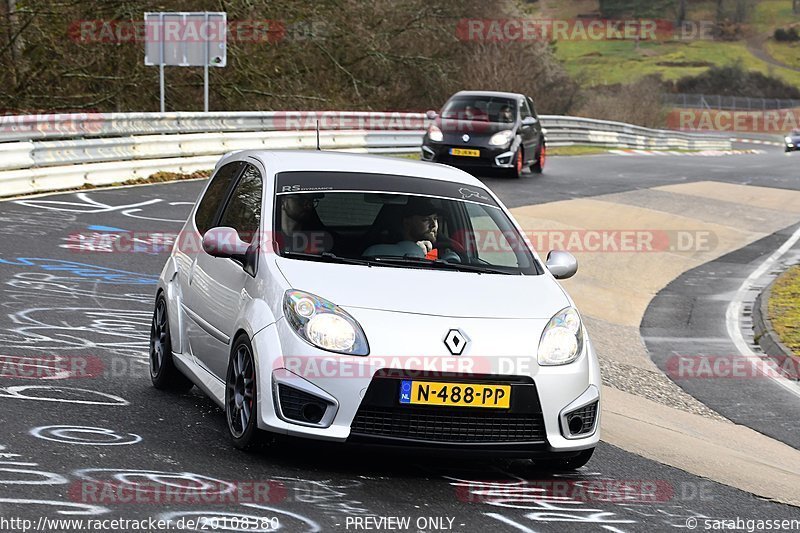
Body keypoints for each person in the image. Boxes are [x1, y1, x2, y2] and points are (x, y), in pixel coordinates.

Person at [362, 198, 459, 262]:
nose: (433, 225)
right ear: (407, 223)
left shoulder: (446, 249)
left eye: (435, 219)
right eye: (425, 220)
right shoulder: (382, 254)